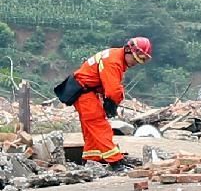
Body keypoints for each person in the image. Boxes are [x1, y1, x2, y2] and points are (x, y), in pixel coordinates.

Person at [57, 37, 152, 170]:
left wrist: (110, 101)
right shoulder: (114, 61)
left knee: (90, 128)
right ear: (128, 50)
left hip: (85, 90)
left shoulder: (115, 56)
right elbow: (113, 89)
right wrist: (112, 103)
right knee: (99, 125)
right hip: (84, 92)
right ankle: (115, 162)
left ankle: (91, 159)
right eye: (136, 58)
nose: (136, 62)